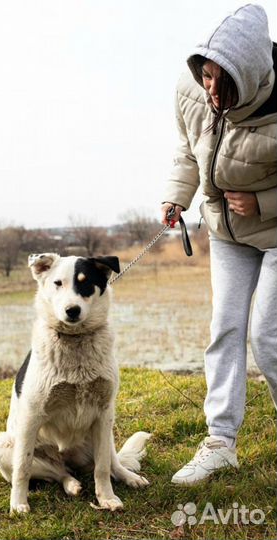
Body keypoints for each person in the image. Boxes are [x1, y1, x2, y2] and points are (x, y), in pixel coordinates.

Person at [161, 4, 277, 485]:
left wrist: (263, 201)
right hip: (226, 232)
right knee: (225, 329)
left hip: (274, 232)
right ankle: (219, 443)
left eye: (220, 81)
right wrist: (176, 196)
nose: (209, 88)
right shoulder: (192, 92)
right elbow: (189, 150)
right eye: (205, 75)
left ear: (247, 75)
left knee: (267, 335)